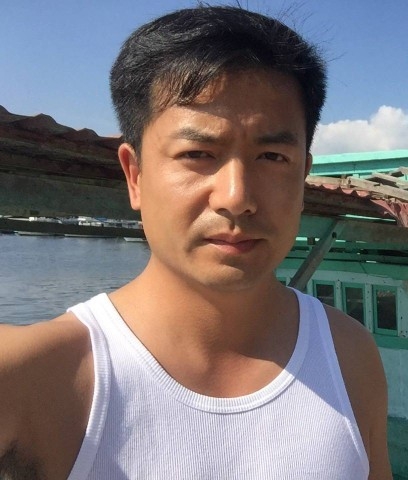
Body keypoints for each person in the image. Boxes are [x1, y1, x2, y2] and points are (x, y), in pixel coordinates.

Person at [0, 5, 392, 479]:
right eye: (198, 154)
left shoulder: (348, 355)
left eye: (272, 156)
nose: (237, 197)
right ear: (135, 174)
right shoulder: (39, 376)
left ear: (303, 177)